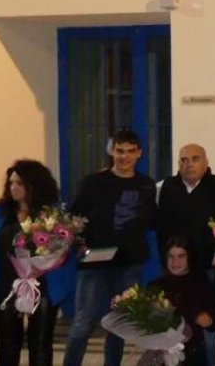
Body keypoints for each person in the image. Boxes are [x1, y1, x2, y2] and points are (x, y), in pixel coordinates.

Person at [0, 161, 69, 366]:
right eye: (11, 183)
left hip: (43, 287)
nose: (13, 187)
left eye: (19, 183)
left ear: (34, 185)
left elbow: (65, 249)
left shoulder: (53, 214)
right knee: (8, 347)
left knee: (41, 346)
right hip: (5, 286)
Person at [62, 129, 158, 366]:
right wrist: (79, 240)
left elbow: (151, 220)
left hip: (130, 264)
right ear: (112, 151)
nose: (124, 157)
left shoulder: (146, 185)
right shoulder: (93, 182)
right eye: (119, 151)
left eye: (130, 151)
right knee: (83, 323)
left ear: (139, 154)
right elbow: (73, 217)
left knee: (118, 324)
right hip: (94, 263)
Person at [157, 144, 215, 366]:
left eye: (195, 159)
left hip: (208, 270)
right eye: (183, 160)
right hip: (174, 270)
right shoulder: (166, 187)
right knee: (172, 325)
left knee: (207, 324)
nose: (188, 164)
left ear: (206, 163)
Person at [150, 237, 215, 366]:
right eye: (171, 256)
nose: (175, 261)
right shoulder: (155, 287)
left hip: (192, 356)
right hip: (161, 356)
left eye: (181, 256)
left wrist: (208, 320)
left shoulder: (202, 286)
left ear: (189, 258)